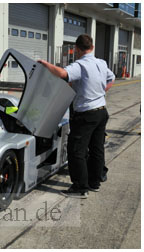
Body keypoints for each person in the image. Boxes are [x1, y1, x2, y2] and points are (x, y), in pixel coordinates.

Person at [38, 34, 115, 199]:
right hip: (101, 111)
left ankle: (80, 187)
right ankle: (94, 183)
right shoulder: (101, 63)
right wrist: (101, 92)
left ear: (77, 50)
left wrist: (45, 64)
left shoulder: (80, 65)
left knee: (76, 151)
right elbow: (112, 78)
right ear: (92, 47)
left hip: (86, 114)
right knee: (97, 148)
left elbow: (62, 74)